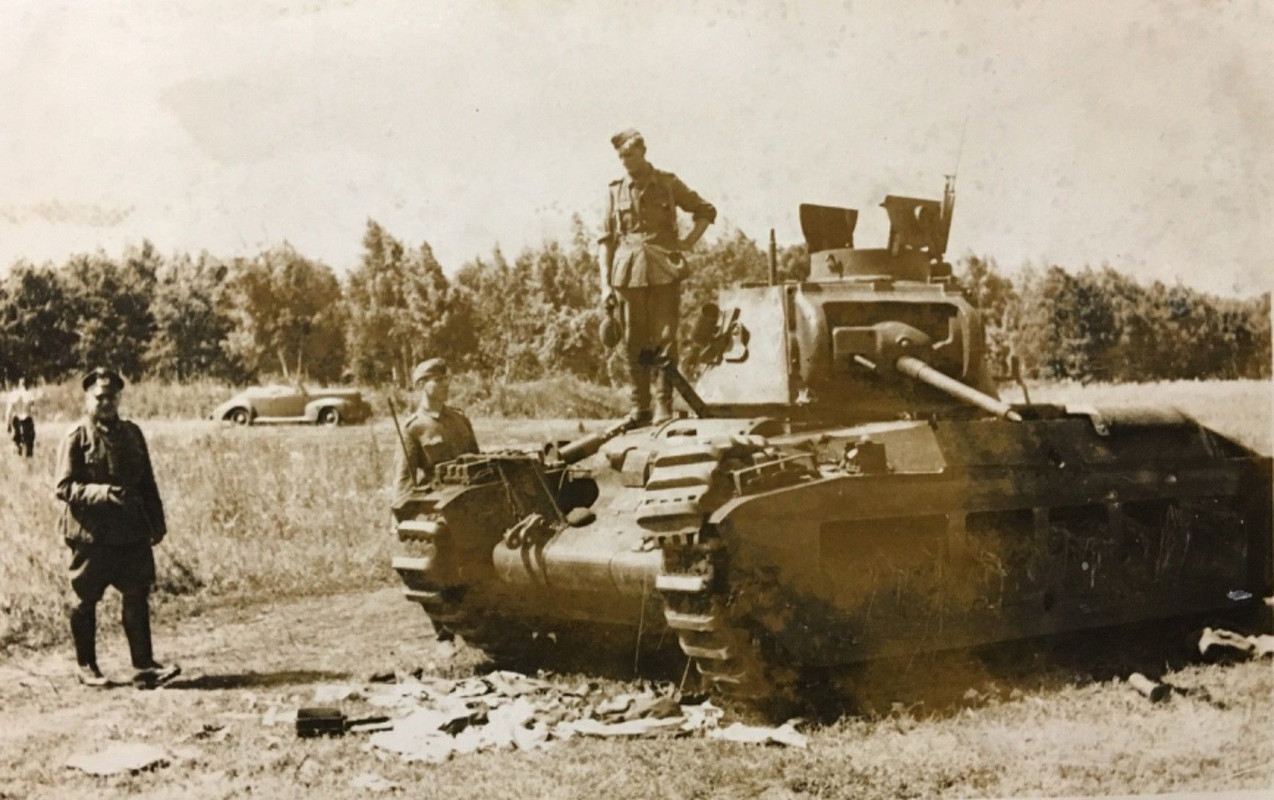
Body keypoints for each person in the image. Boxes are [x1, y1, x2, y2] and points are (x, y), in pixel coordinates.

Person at [54, 368, 179, 688]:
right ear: (87, 399)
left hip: (131, 531)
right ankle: (86, 667)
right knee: (85, 599)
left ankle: (144, 667)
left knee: (137, 594)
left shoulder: (133, 434)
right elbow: (64, 487)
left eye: (111, 397)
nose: (106, 402)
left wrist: (157, 521)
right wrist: (102, 494)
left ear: (119, 398)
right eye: (99, 397)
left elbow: (147, 482)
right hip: (91, 534)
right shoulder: (76, 437)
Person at [598, 128, 716, 423]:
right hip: (626, 274)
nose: (625, 161)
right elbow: (605, 241)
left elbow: (705, 210)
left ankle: (664, 404)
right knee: (632, 342)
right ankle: (641, 407)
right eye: (621, 156)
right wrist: (604, 286)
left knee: (666, 339)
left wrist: (688, 242)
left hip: (664, 270)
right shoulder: (615, 191)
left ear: (643, 152)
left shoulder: (667, 183)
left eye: (630, 155)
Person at [393, 358, 479, 507]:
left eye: (446, 379)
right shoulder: (413, 428)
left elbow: (478, 462)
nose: (445, 385)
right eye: (438, 380)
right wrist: (399, 521)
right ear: (421, 385)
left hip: (471, 499)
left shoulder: (460, 418)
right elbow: (404, 480)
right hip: (439, 504)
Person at [6, 377, 36, 458]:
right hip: (27, 419)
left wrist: (8, 424)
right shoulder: (30, 395)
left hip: (16, 419)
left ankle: (18, 462)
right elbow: (33, 410)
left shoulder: (12, 395)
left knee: (16, 442)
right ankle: (28, 462)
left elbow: (9, 412)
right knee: (29, 444)